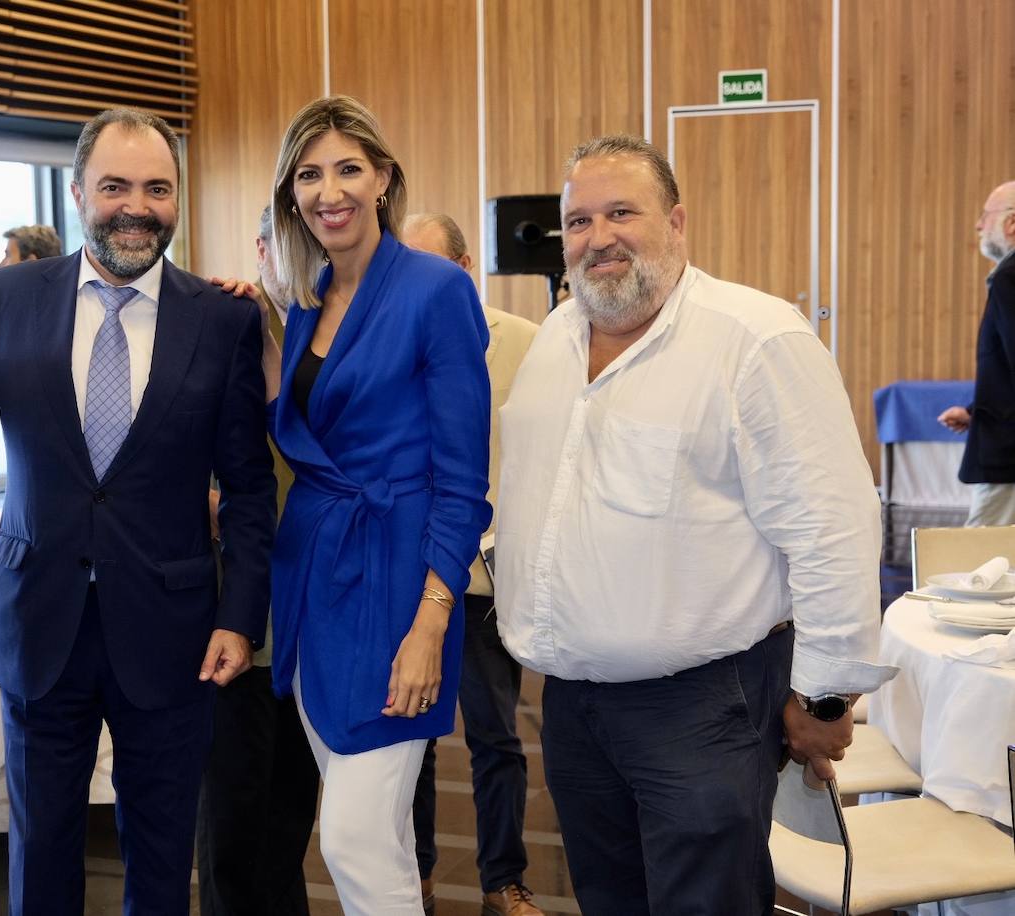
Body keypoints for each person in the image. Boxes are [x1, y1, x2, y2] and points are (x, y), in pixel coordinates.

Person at [495, 135, 895, 916]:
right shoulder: (553, 340)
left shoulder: (753, 338)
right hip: (573, 709)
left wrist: (822, 701)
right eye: (578, 221)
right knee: (612, 902)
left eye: (621, 213)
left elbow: (833, 527)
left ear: (676, 223)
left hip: (703, 710)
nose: (597, 237)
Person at [0, 107, 276, 915]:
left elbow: (248, 487)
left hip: (174, 631)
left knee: (162, 855)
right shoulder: (12, 294)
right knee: (40, 850)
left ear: (178, 199)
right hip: (39, 621)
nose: (137, 205)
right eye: (116, 185)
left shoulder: (223, 317)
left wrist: (241, 616)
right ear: (78, 191)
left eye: (157, 188)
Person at [263, 96, 492, 915]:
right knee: (380, 838)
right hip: (315, 575)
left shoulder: (435, 290)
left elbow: (464, 477)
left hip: (396, 582)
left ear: (384, 178)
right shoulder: (304, 300)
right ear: (292, 192)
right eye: (310, 173)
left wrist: (432, 620)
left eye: (349, 169)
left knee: (352, 838)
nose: (331, 190)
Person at [400, 212, 541, 916]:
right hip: (411, 572)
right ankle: (416, 878)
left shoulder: (525, 343)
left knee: (495, 736)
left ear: (461, 269)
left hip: (486, 577)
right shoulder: (389, 338)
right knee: (411, 741)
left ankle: (502, 882)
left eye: (430, 267)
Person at [195, 205, 320, 916]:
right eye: (289, 242)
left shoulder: (335, 332)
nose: (304, 257)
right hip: (240, 616)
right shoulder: (226, 323)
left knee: (288, 819)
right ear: (262, 247)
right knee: (233, 828)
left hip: (312, 618)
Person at [938, 180, 1015, 525]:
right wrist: (976, 412)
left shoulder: (1009, 279)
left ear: (1011, 223)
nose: (978, 225)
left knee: (982, 568)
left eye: (986, 215)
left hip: (1009, 461)